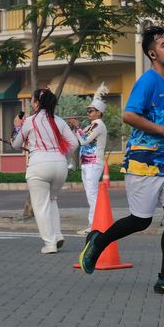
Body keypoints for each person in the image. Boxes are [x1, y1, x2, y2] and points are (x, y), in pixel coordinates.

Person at [79, 26, 164, 294]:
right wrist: (163, 130)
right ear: (152, 54)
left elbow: (161, 119)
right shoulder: (147, 81)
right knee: (141, 220)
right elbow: (129, 115)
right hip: (145, 162)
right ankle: (98, 241)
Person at [12, 88, 78, 254]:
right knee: (52, 200)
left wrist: (17, 127)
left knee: (41, 206)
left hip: (39, 165)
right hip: (60, 165)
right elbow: (74, 143)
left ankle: (50, 244)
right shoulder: (59, 121)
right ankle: (57, 235)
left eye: (32, 100)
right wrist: (63, 156)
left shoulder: (29, 121)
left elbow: (15, 143)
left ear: (36, 103)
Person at [76, 83, 109, 235]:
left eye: (91, 110)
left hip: (93, 163)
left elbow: (83, 140)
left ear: (99, 113)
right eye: (88, 111)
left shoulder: (98, 125)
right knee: (90, 195)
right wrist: (77, 128)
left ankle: (94, 225)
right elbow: (81, 137)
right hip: (87, 164)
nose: (88, 113)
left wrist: (77, 127)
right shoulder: (92, 125)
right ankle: (93, 224)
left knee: (92, 195)